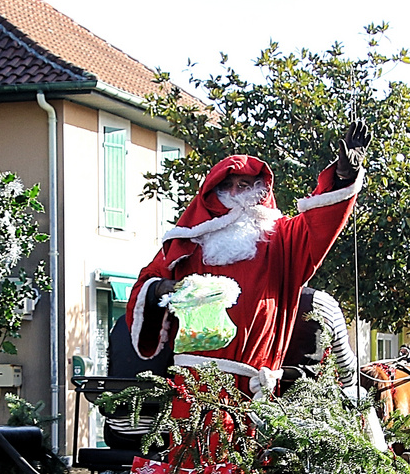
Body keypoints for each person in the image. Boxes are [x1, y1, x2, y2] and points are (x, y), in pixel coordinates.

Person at [129, 121, 370, 400]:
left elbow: (320, 225)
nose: (234, 193)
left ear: (259, 191)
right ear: (212, 196)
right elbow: (144, 285)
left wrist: (342, 177)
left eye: (244, 185)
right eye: (227, 186)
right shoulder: (188, 243)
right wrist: (160, 289)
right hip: (192, 393)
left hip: (254, 392)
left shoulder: (283, 240)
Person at [280, 286, 358, 390]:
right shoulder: (323, 302)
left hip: (255, 391)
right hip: (310, 397)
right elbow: (346, 368)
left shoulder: (254, 298)